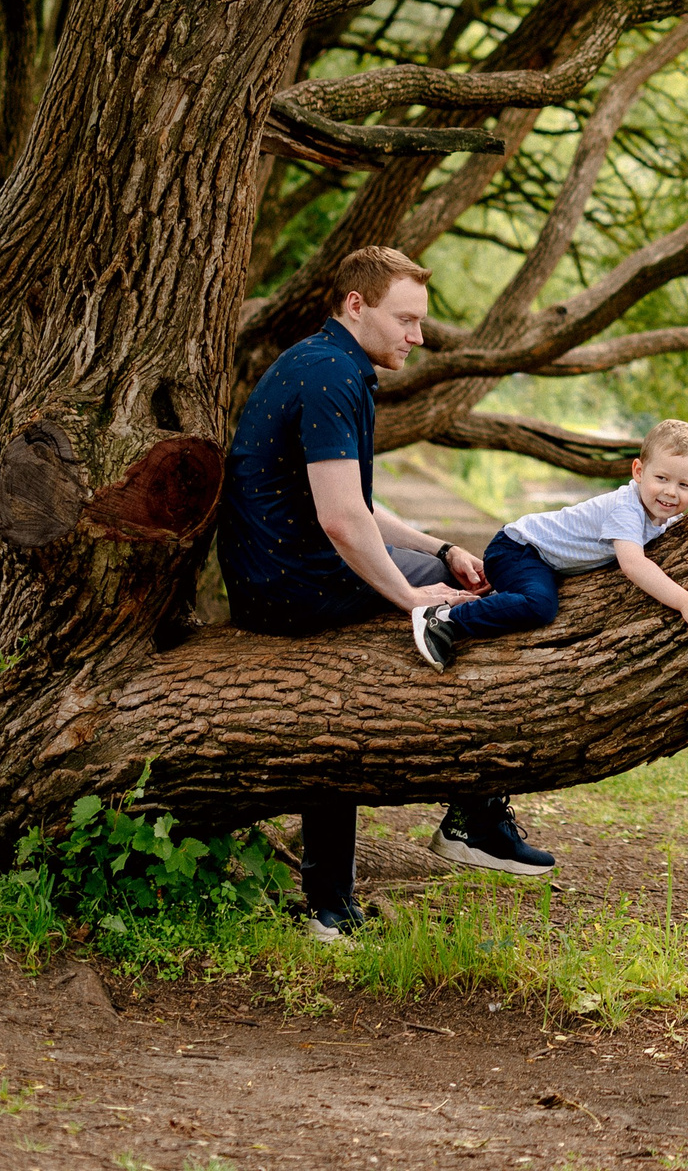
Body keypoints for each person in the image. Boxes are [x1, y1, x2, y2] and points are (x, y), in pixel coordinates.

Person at [218, 245, 557, 942]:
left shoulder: (330, 363)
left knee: (451, 591)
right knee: (471, 617)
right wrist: (410, 597)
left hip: (284, 569)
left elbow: (357, 507)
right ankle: (476, 814)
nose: (419, 335)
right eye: (406, 319)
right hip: (290, 583)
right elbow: (343, 522)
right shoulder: (331, 375)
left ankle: (330, 909)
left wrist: (438, 549)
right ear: (355, 304)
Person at [411, 419, 688, 673]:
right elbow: (633, 564)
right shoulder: (626, 508)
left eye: (683, 485)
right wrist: (685, 601)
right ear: (639, 472)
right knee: (540, 605)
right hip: (518, 548)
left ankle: (497, 600)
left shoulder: (661, 515)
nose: (671, 492)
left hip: (536, 557)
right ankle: (443, 620)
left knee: (534, 595)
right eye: (662, 478)